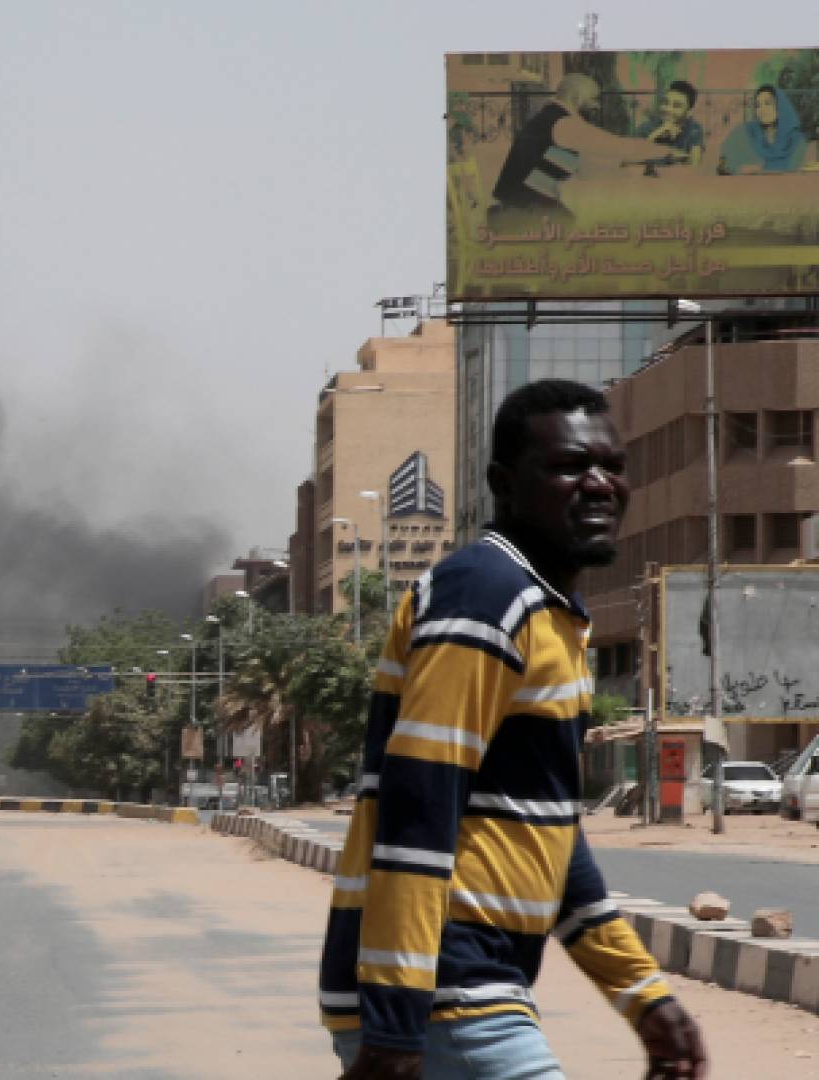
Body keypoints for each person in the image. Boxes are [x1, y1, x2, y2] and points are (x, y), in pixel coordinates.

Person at [323, 380, 707, 1080]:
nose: (599, 486)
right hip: (446, 987)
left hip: (469, 982)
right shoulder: (487, 594)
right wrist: (397, 1024)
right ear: (505, 484)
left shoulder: (553, 613)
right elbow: (418, 803)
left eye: (612, 466)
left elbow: (551, 833)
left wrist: (643, 995)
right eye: (569, 467)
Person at [490, 74, 668, 226]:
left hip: (523, 207)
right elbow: (618, 146)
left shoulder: (550, 118)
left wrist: (637, 169)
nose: (597, 106)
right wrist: (668, 151)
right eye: (593, 99)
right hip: (522, 216)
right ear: (576, 98)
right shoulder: (564, 124)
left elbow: (585, 169)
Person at [719, 84, 808, 174]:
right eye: (758, 105)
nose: (762, 109)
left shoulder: (795, 140)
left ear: (781, 106)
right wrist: (739, 169)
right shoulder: (743, 132)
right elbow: (722, 166)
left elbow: (799, 170)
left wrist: (762, 171)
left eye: (768, 103)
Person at [634, 80, 704, 169]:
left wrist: (680, 158)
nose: (668, 109)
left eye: (677, 106)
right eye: (666, 103)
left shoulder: (694, 128)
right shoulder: (645, 128)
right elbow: (632, 160)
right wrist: (657, 133)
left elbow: (695, 165)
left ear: (689, 112)